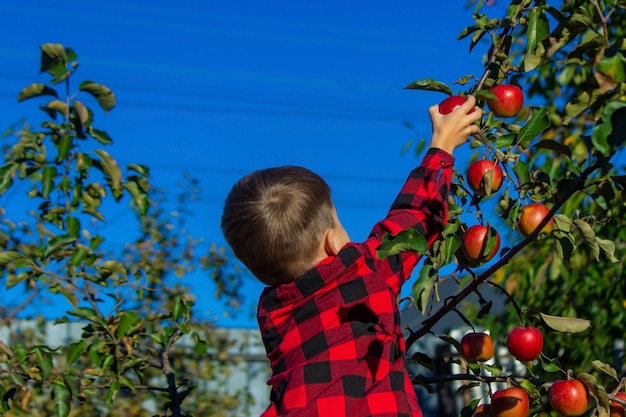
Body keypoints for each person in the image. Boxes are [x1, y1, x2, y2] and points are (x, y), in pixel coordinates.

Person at [221, 96, 482, 417]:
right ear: (332, 241)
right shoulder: (364, 272)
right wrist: (442, 146)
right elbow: (413, 217)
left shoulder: (273, 316)